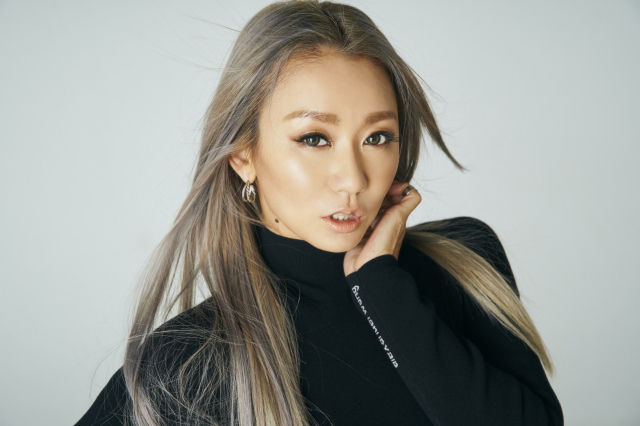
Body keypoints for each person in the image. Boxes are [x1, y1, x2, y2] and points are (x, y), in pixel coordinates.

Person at [75, 1, 563, 425]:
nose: (352, 179)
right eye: (314, 138)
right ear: (243, 155)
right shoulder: (186, 363)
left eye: (377, 137)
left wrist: (382, 289)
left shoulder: (467, 263)